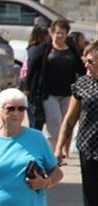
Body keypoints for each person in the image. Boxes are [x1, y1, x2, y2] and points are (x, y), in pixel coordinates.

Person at [56, 40, 98, 206]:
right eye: (85, 60)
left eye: (90, 61)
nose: (86, 64)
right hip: (89, 150)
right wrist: (59, 148)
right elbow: (70, 119)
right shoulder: (82, 84)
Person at [24, 19, 85, 149]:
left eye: (62, 33)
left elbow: (81, 69)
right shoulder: (44, 50)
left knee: (67, 122)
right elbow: (32, 69)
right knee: (54, 120)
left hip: (68, 92)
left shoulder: (72, 50)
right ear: (52, 33)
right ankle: (53, 152)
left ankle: (63, 152)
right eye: (57, 33)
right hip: (49, 93)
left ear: (66, 34)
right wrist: (28, 88)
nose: (59, 36)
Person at [22, 24, 50, 129]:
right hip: (35, 88)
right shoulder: (39, 50)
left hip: (31, 88)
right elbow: (32, 69)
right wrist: (28, 87)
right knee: (36, 120)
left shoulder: (31, 48)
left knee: (33, 119)